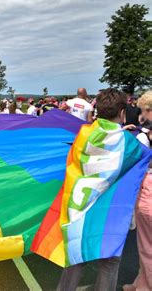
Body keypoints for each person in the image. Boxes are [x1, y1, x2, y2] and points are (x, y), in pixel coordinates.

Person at [56, 88, 140, 291]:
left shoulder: (83, 135)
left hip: (80, 209)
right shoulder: (129, 143)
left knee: (76, 259)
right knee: (109, 264)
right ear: (122, 113)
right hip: (111, 215)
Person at [123, 90, 152, 291]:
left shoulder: (144, 137)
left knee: (147, 247)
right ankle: (140, 283)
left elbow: (132, 165)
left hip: (149, 193)